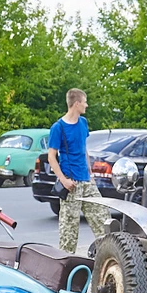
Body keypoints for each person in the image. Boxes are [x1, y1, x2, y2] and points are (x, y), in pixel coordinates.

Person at [49, 88, 110, 254]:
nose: (86, 105)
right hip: (71, 184)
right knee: (68, 234)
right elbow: (51, 157)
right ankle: (66, 264)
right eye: (84, 102)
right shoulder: (58, 127)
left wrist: (90, 174)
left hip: (87, 181)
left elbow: (84, 149)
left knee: (104, 220)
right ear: (76, 104)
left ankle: (107, 258)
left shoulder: (83, 123)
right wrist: (64, 181)